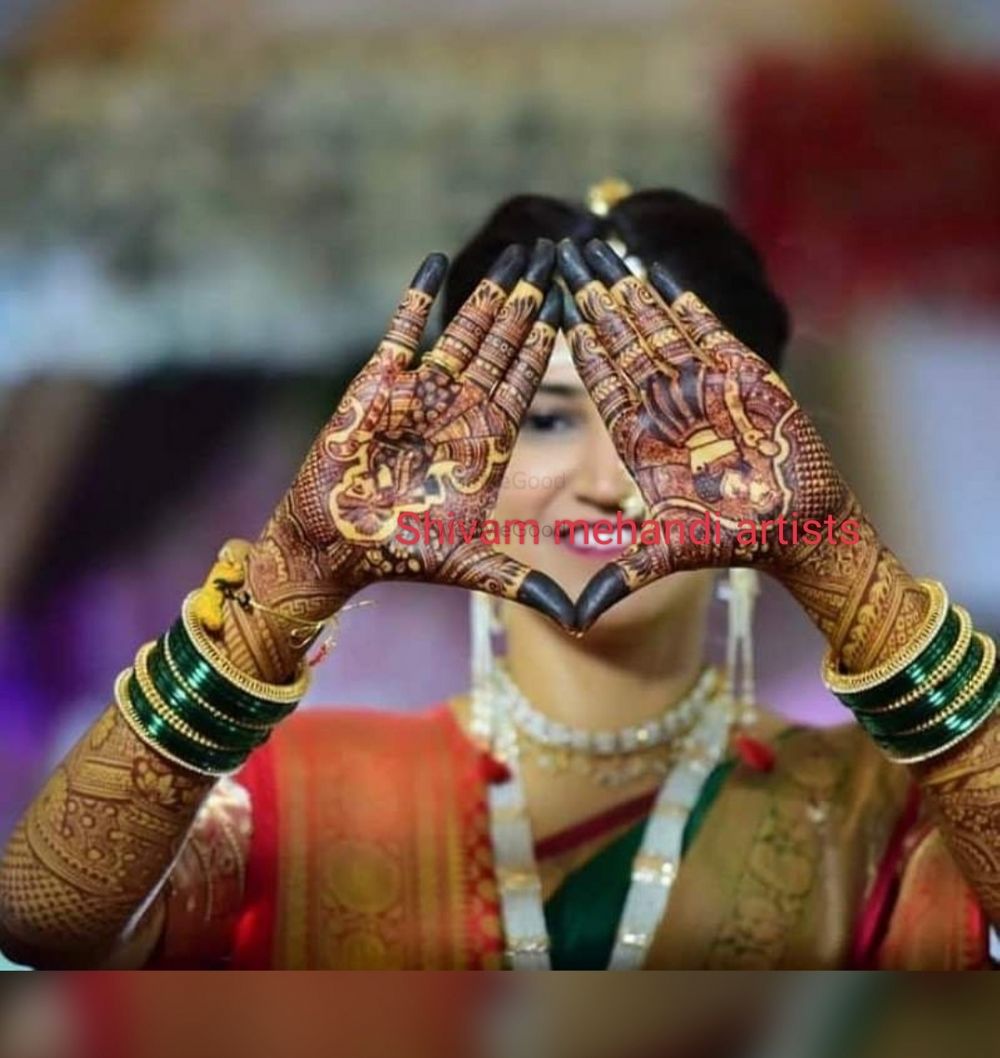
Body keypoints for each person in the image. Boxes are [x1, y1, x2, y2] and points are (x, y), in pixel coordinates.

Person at [0, 183, 996, 970]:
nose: (606, 482)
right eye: (551, 419)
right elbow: (44, 919)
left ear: (779, 453)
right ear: (460, 458)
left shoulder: (887, 812)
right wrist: (286, 584)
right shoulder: (291, 791)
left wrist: (839, 562)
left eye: (670, 422)